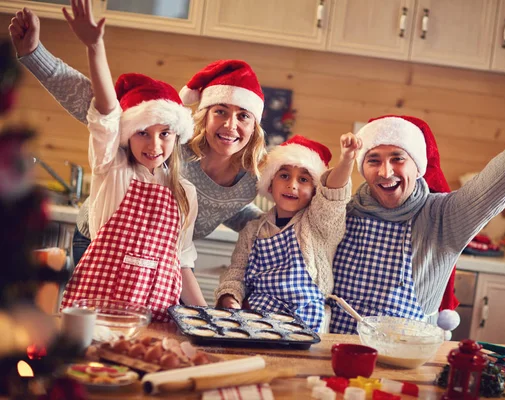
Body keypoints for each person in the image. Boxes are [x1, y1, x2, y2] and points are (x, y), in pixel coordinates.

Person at [8, 7, 267, 268]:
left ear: (255, 126)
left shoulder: (254, 178)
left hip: (157, 255)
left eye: (243, 115)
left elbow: (222, 206)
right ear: (204, 116)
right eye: (220, 111)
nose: (230, 125)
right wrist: (34, 54)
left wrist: (271, 227)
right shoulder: (171, 141)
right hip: (98, 238)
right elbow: (96, 106)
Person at [329, 104, 505, 335]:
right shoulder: (344, 213)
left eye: (397, 158)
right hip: (334, 355)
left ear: (418, 166)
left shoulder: (443, 218)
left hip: (406, 361)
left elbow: (493, 186)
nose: (385, 172)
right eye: (373, 160)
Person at [57, 0, 206, 320]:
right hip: (99, 314)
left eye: (165, 133)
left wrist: (207, 318)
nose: (154, 144)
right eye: (142, 132)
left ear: (177, 136)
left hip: (158, 318)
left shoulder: (185, 193)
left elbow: (181, 261)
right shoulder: (113, 171)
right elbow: (106, 116)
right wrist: (94, 46)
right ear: (126, 136)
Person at [215, 133, 359, 332]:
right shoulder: (252, 230)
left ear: (316, 190)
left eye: (303, 179)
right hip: (255, 317)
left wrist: (347, 161)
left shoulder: (318, 224)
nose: (292, 185)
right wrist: (230, 297)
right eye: (284, 176)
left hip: (303, 321)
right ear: (270, 183)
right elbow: (236, 273)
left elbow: (333, 197)